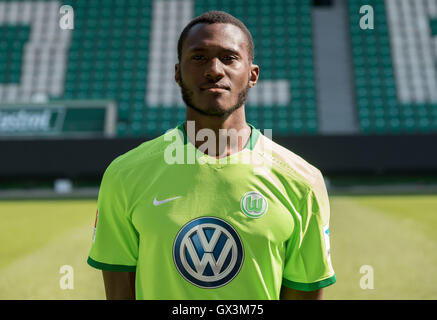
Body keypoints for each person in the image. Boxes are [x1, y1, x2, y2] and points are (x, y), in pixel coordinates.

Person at [87, 10, 336, 300]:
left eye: (229, 58)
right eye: (199, 57)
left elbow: (304, 292)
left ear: (252, 75)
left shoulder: (302, 181)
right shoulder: (125, 174)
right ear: (178, 73)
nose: (214, 69)